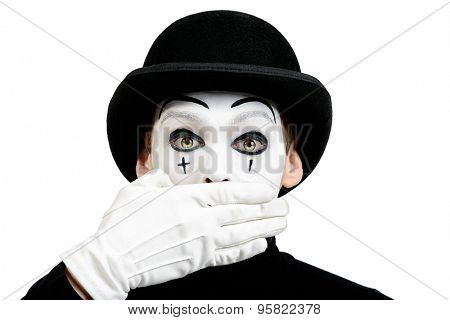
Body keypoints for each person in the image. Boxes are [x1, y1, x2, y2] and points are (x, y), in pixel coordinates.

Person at [23, 10, 390, 300]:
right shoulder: (88, 293)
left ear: (291, 163)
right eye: (185, 139)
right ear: (145, 160)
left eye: (249, 142)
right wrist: (92, 278)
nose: (216, 171)